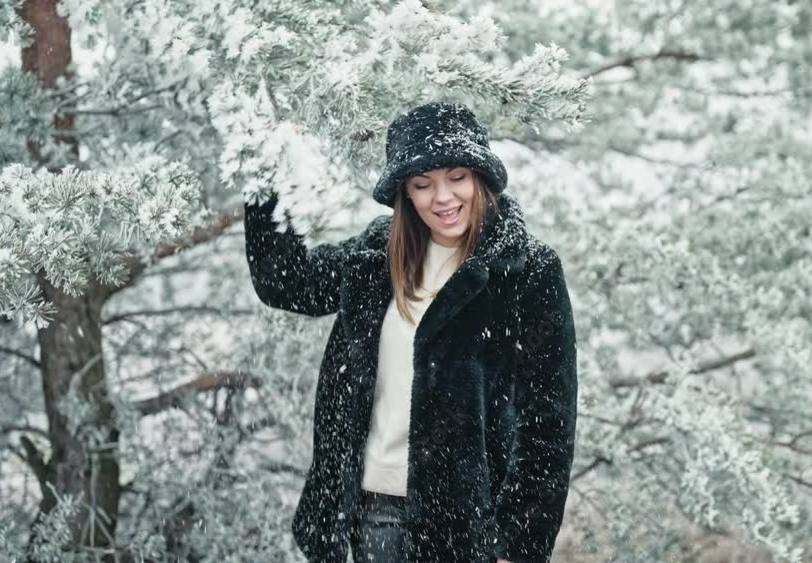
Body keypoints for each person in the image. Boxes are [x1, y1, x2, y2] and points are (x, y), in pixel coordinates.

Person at [244, 101, 578, 563]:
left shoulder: (527, 271)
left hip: (467, 533)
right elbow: (285, 281)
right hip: (371, 516)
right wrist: (269, 167)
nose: (443, 198)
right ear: (405, 192)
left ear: (481, 177)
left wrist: (517, 545)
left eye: (457, 177)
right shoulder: (376, 257)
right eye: (423, 184)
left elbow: (548, 421)